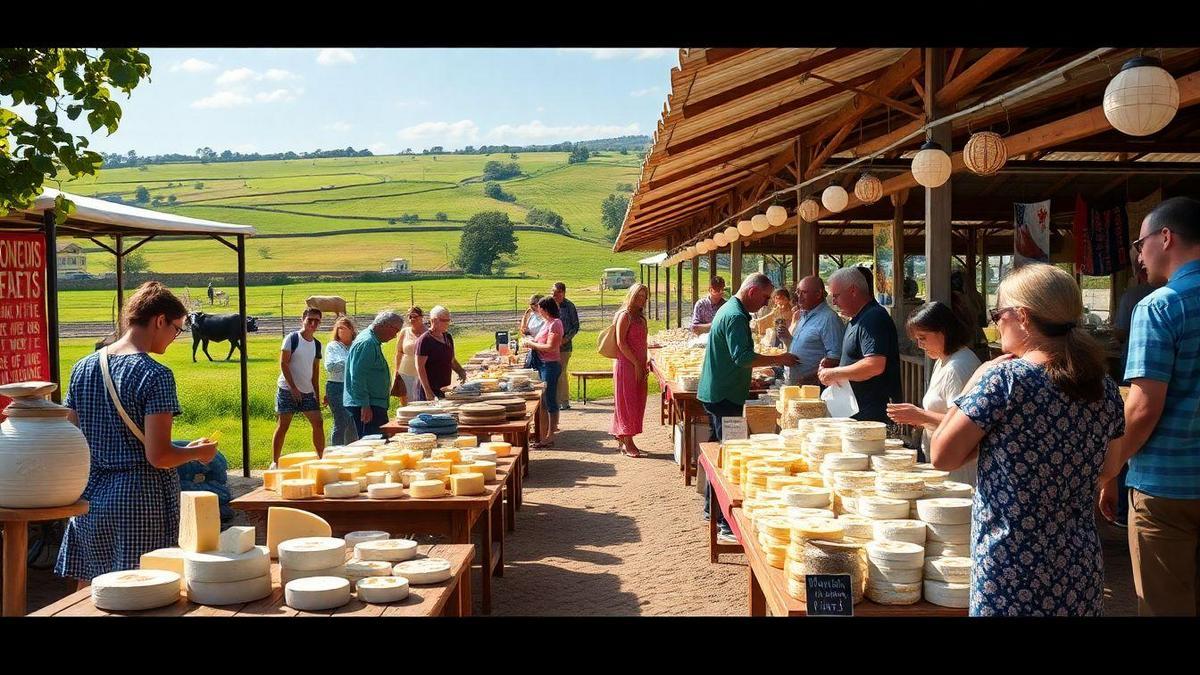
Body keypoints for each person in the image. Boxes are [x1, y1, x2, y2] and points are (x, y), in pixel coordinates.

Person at [930, 263, 1124, 616]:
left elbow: (941, 455)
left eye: (997, 314)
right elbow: (1109, 467)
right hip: (1078, 568)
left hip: (1011, 568)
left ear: (1021, 316)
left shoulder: (1005, 380)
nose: (995, 323)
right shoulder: (1105, 388)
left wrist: (975, 380)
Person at [55, 282, 218, 586]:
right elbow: (159, 457)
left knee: (88, 588)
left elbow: (72, 439)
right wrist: (198, 452)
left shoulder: (83, 367)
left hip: (90, 495)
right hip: (139, 500)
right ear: (159, 321)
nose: (175, 337)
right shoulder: (155, 375)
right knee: (142, 590)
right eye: (176, 329)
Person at [1101, 196, 1200, 616]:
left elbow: (1142, 408)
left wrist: (1110, 467)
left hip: (1168, 487)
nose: (1138, 256)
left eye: (1139, 244)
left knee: (1164, 606)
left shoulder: (1160, 305)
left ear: (1165, 237)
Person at [698, 273, 800, 541]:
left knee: (722, 452)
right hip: (725, 396)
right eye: (765, 298)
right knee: (731, 456)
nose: (765, 304)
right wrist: (779, 358)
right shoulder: (736, 316)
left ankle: (712, 509)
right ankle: (724, 522)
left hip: (720, 391)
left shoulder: (729, 310)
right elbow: (741, 357)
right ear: (753, 291)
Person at [885, 302, 981, 479]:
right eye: (917, 339)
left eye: (923, 337)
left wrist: (921, 416)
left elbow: (965, 424)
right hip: (945, 462)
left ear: (943, 331)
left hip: (958, 468)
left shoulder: (958, 366)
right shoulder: (943, 359)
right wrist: (918, 417)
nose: (920, 345)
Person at [819, 267, 901, 423]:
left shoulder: (873, 317)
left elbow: (874, 365)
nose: (834, 302)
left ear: (853, 291)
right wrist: (836, 369)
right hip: (857, 413)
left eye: (836, 296)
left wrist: (835, 373)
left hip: (872, 417)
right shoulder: (858, 318)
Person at [270, 308, 325, 468]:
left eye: (317, 321)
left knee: (318, 422)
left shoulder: (317, 344)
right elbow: (283, 363)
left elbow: (315, 370)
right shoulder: (292, 338)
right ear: (303, 320)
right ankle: (275, 462)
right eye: (310, 320)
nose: (313, 324)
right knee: (283, 425)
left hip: (307, 391)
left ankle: (321, 459)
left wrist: (316, 392)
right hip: (287, 390)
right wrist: (293, 388)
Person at [344, 310, 404, 437]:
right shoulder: (367, 343)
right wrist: (364, 405)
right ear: (385, 325)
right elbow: (358, 376)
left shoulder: (372, 341)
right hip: (368, 406)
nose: (395, 336)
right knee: (372, 444)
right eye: (395, 331)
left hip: (372, 404)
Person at [777, 275, 845, 386]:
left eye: (803, 292)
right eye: (798, 292)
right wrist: (788, 339)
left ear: (818, 294)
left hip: (814, 390)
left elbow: (836, 359)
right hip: (796, 387)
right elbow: (807, 346)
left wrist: (813, 378)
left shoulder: (829, 319)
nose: (798, 297)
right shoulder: (804, 315)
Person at [611, 283, 650, 457]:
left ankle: (623, 435)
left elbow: (644, 342)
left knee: (638, 401)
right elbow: (621, 343)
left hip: (639, 363)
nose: (642, 300)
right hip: (626, 365)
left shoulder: (641, 319)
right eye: (639, 296)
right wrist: (635, 363)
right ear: (632, 296)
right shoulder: (624, 316)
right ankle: (628, 441)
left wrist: (645, 362)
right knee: (627, 402)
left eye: (644, 297)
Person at [525, 297, 566, 447]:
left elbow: (550, 347)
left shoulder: (555, 323)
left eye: (539, 308)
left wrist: (531, 344)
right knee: (543, 401)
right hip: (543, 364)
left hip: (550, 365)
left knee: (549, 400)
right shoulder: (547, 323)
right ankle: (543, 433)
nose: (538, 310)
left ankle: (550, 435)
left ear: (545, 309)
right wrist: (532, 341)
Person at [417, 305, 468, 400]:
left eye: (449, 320)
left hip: (445, 389)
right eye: (445, 321)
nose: (448, 323)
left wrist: (460, 371)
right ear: (434, 320)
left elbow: (451, 359)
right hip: (431, 390)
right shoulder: (425, 340)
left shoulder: (447, 337)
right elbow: (420, 367)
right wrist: (428, 392)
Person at [323, 316, 359, 446]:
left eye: (344, 328)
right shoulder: (333, 346)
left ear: (351, 330)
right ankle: (336, 450)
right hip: (337, 386)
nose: (341, 331)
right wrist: (351, 362)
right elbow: (330, 366)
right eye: (339, 329)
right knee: (341, 420)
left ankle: (352, 449)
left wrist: (345, 362)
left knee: (354, 420)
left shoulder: (356, 345)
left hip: (353, 386)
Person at [552, 282, 580, 410]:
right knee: (553, 373)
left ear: (563, 292)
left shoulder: (569, 306)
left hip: (564, 346)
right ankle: (554, 400)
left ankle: (564, 401)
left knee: (561, 372)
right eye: (553, 291)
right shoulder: (550, 305)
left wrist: (565, 339)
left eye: (557, 292)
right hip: (551, 345)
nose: (554, 294)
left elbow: (575, 326)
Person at [394, 306, 427, 405]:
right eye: (409, 317)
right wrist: (396, 371)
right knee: (406, 402)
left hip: (423, 373)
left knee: (422, 401)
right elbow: (399, 352)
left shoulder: (428, 333)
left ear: (421, 317)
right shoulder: (404, 332)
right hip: (405, 372)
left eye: (415, 316)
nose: (412, 319)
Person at [519, 294, 545, 370]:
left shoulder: (546, 318)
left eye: (535, 305)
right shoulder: (532, 315)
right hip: (531, 349)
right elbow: (524, 330)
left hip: (542, 351)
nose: (532, 307)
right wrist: (526, 314)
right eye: (531, 305)